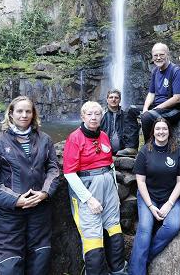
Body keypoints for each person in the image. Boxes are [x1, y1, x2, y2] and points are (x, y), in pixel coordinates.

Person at [0, 96, 60, 275]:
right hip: (8, 215)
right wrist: (16, 199)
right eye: (19, 111)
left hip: (39, 211)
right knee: (9, 265)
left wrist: (45, 192)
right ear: (11, 114)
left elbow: (53, 170)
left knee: (40, 260)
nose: (24, 115)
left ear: (33, 114)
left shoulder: (44, 140)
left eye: (28, 111)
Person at [63, 101, 128, 275]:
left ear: (102, 116)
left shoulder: (104, 136)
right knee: (93, 239)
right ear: (83, 116)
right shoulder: (74, 138)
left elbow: (110, 165)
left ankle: (119, 271)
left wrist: (114, 192)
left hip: (108, 189)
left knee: (115, 232)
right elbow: (69, 173)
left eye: (97, 114)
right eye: (89, 114)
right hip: (88, 189)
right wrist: (89, 199)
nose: (93, 117)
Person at [129, 118, 180, 275]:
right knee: (144, 228)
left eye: (164, 129)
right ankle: (136, 271)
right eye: (158, 129)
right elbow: (140, 181)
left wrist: (169, 203)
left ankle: (144, 257)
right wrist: (150, 205)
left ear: (169, 131)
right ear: (153, 132)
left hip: (170, 197)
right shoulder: (145, 151)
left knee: (173, 226)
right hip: (147, 196)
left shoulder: (178, 151)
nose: (161, 132)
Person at [116, 43, 180, 157]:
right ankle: (132, 147)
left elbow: (177, 99)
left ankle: (149, 148)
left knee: (147, 116)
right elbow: (151, 93)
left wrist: (155, 109)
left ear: (167, 54)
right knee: (131, 110)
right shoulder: (155, 71)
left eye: (161, 54)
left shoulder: (176, 71)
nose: (158, 58)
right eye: (155, 55)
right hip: (157, 108)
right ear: (152, 56)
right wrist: (145, 108)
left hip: (174, 109)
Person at [100, 89, 126, 154]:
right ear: (107, 100)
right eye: (111, 97)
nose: (113, 100)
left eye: (116, 98)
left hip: (122, 152)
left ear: (120, 100)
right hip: (103, 151)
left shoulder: (125, 115)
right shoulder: (101, 115)